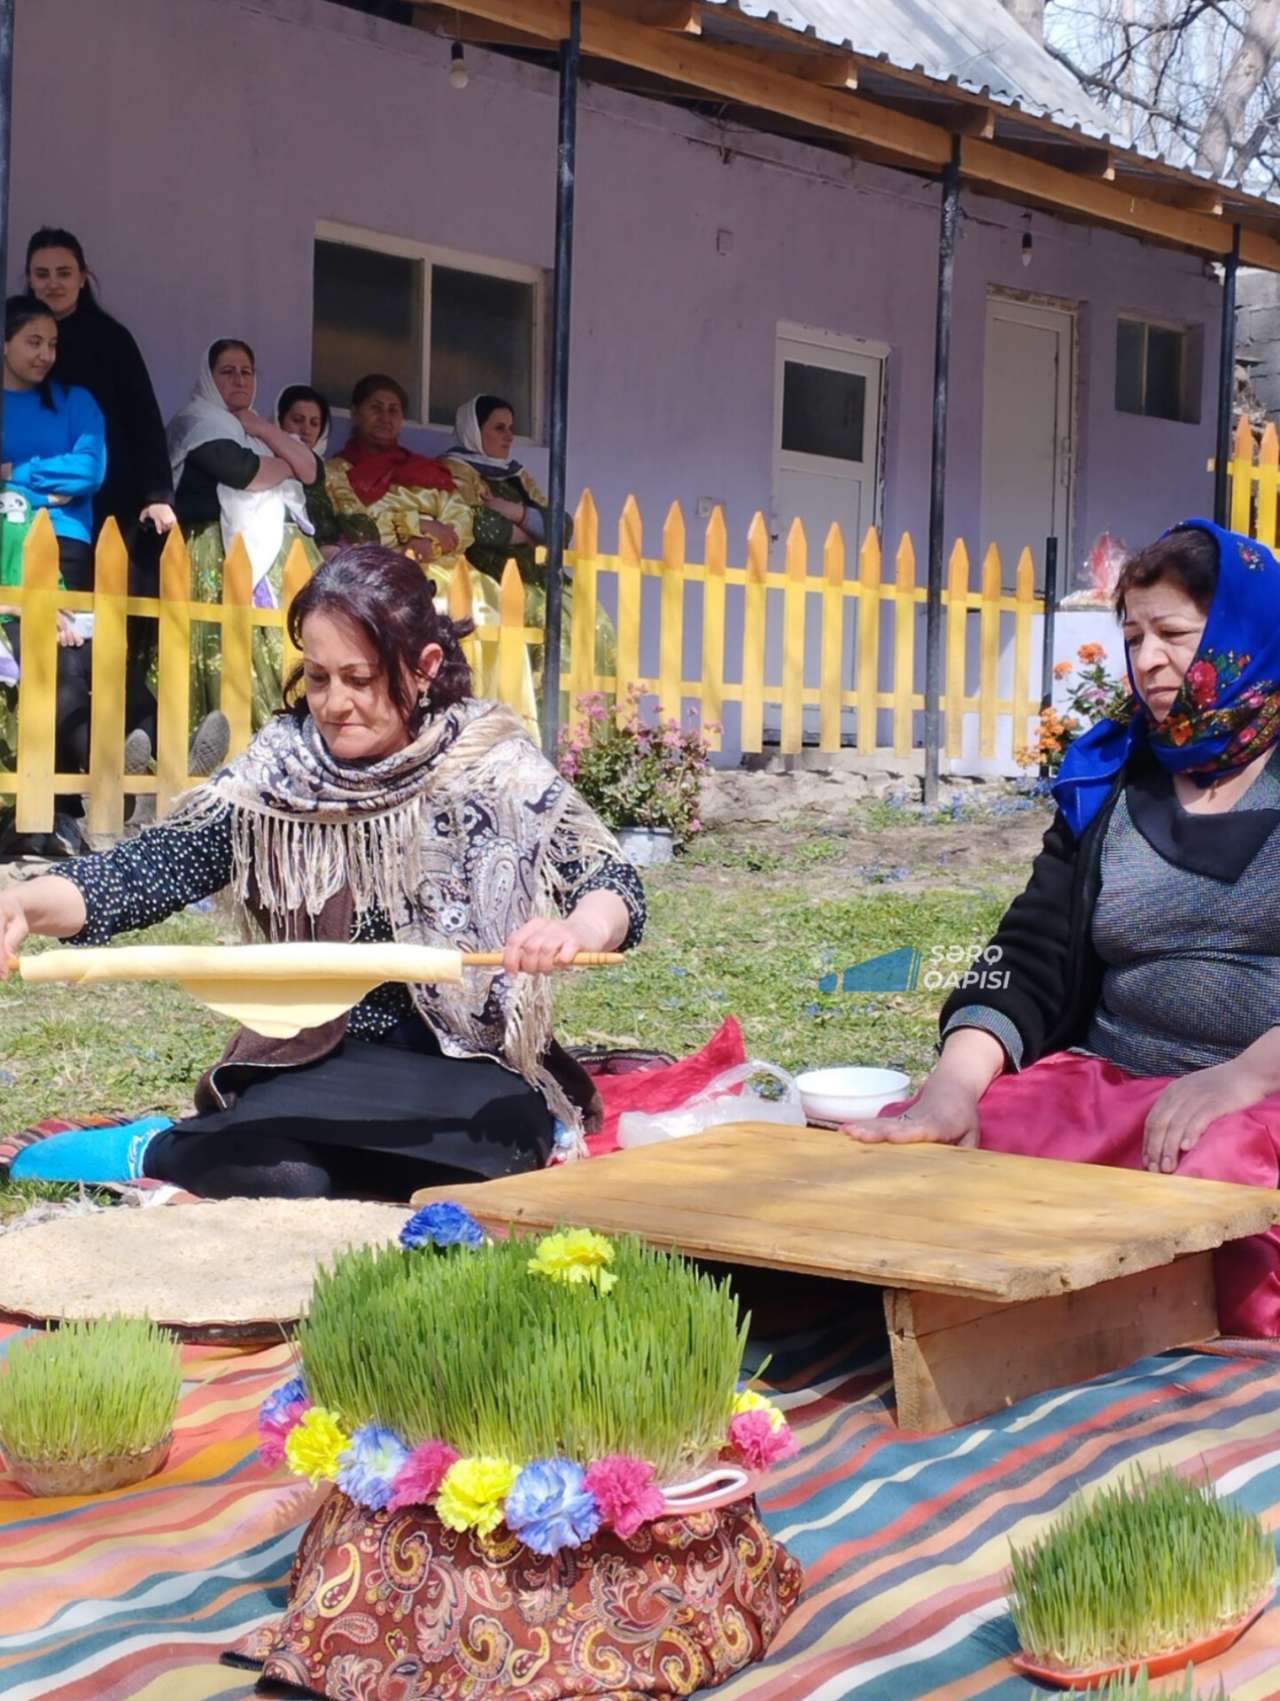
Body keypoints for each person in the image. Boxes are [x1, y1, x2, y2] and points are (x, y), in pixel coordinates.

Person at [2, 545, 645, 1202]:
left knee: (496, 1157)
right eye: (317, 677)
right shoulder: (281, 773)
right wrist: (25, 904)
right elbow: (149, 870)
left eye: (360, 679)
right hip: (315, 1055)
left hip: (465, 1060)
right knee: (282, 1176)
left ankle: (248, 1145)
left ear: (424, 666)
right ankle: (158, 1145)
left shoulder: (494, 764)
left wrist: (578, 930)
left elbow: (610, 881)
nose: (335, 703)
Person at [845, 518, 1280, 1338]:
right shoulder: (1113, 778)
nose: (1148, 659)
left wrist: (1244, 1078)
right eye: (1134, 636)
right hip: (1115, 1084)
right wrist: (953, 1083)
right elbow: (1032, 947)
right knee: (934, 1150)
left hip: (1259, 1095)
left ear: (1240, 633)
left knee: (1219, 1188)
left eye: (1174, 633)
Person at [26, 227, 176, 765]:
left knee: (104, 633)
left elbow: (143, 418)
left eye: (64, 273)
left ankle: (144, 750)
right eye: (42, 274)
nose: (53, 283)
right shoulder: (18, 332)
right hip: (31, 512)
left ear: (84, 276)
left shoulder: (111, 338)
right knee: (53, 640)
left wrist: (157, 493)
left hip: (111, 503)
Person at [168, 340, 322, 738]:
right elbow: (244, 473)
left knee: (283, 648)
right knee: (229, 649)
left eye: (247, 372)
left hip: (280, 560)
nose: (239, 380)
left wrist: (265, 430)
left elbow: (311, 471)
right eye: (227, 371)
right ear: (208, 377)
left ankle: (287, 735)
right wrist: (285, 463)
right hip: (216, 552)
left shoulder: (255, 429)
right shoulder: (197, 422)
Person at [0, 295, 106, 856]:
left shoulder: (75, 402)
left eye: (52, 344)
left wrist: (14, 475)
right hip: (4, 544)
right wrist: (47, 485)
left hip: (64, 545)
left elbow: (88, 469)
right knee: (28, 662)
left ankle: (60, 810)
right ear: (5, 344)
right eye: (33, 342)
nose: (46, 354)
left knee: (66, 660)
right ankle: (37, 809)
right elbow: (66, 478)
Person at [444, 393, 613, 704]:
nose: (509, 436)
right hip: (492, 570)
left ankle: (587, 722)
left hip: (537, 572)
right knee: (547, 623)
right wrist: (530, 532)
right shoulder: (455, 470)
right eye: (499, 428)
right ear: (474, 431)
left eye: (511, 428)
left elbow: (562, 526)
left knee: (595, 619)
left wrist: (512, 510)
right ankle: (544, 715)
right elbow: (477, 524)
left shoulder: (516, 474)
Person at [275, 383, 375, 555]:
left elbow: (363, 529)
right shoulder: (263, 464)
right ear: (279, 421)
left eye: (314, 423)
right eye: (297, 420)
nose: (306, 430)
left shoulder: (330, 473)